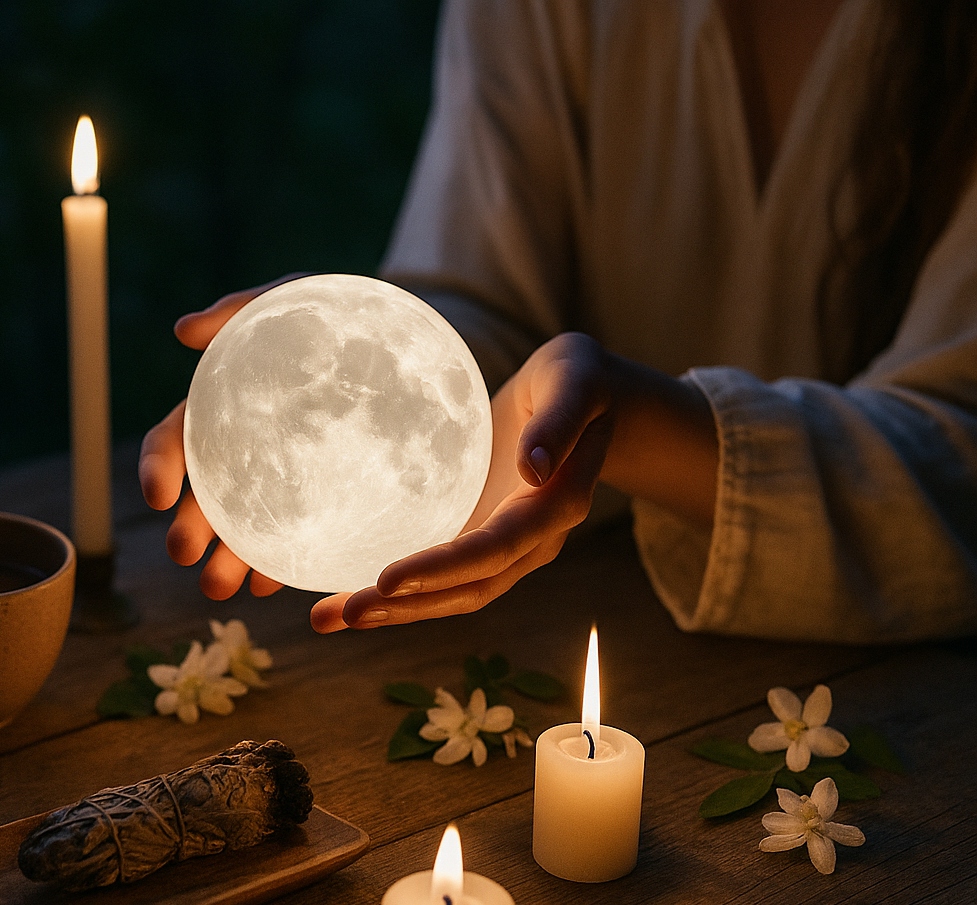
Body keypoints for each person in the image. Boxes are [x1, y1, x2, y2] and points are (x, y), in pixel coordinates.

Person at [139, 0, 977, 644]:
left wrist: (631, 426)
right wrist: (340, 351)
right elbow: (487, 298)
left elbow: (959, 461)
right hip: (570, 623)